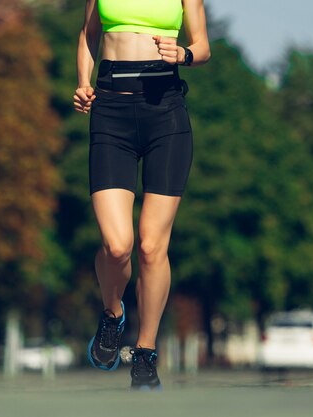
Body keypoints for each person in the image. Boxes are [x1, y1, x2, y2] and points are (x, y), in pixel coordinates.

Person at [74, 0, 211, 390]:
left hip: (165, 110)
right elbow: (88, 34)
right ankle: (112, 313)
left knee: (152, 246)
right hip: (110, 109)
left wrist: (183, 53)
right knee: (117, 245)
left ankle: (146, 352)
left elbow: (202, 46)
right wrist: (83, 82)